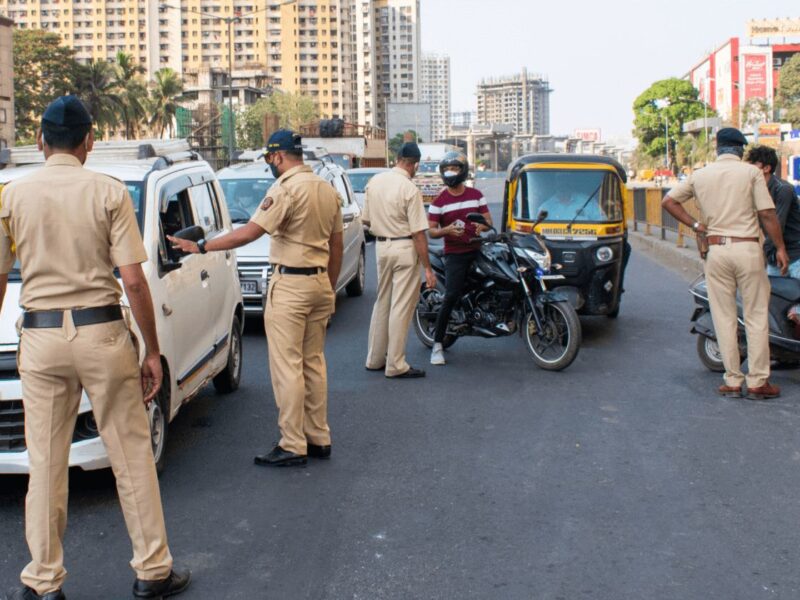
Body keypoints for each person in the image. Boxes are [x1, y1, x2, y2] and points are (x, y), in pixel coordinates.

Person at [0, 96, 189, 600]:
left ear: (40, 140)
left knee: (44, 462)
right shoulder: (108, 191)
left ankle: (44, 581)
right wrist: (151, 350)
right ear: (89, 141)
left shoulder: (12, 196)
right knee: (131, 455)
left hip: (40, 337)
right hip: (102, 333)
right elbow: (134, 280)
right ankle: (153, 571)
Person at [170, 129, 343, 467]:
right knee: (313, 364)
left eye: (270, 159)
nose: (271, 165)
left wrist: (201, 246)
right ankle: (318, 437)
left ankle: (292, 443)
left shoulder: (285, 190)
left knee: (287, 368)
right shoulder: (326, 189)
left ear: (277, 157)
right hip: (320, 283)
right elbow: (336, 246)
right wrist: (329, 288)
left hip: (291, 286)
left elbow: (250, 233)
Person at [662, 127, 789, 401]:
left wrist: (697, 226)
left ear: (717, 148)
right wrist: (780, 247)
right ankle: (757, 381)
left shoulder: (701, 175)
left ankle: (732, 380)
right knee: (756, 316)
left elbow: (668, 201)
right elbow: (767, 214)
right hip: (747, 248)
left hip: (716, 250)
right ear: (740, 149)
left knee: (723, 316)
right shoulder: (751, 173)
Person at [362, 142, 436, 378]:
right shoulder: (409, 189)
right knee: (401, 306)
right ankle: (396, 364)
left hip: (381, 247)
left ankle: (374, 358)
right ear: (415, 165)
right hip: (405, 247)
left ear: (397, 159)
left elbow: (366, 220)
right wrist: (428, 268)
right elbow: (418, 233)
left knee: (382, 302)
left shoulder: (375, 181)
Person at [427, 152, 492, 365]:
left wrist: (482, 226)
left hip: (478, 249)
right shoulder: (439, 201)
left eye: (454, 168)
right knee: (451, 295)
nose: (450, 172)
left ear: (462, 171)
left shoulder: (476, 195)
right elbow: (431, 231)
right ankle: (437, 345)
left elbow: (488, 221)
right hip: (455, 253)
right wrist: (446, 230)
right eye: (447, 169)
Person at [745, 145, 800, 278]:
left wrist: (766, 251)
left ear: (766, 168)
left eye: (753, 165)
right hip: (775, 255)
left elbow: (777, 224)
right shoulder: (754, 190)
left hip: (796, 256)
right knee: (772, 291)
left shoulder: (783, 189)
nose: (749, 169)